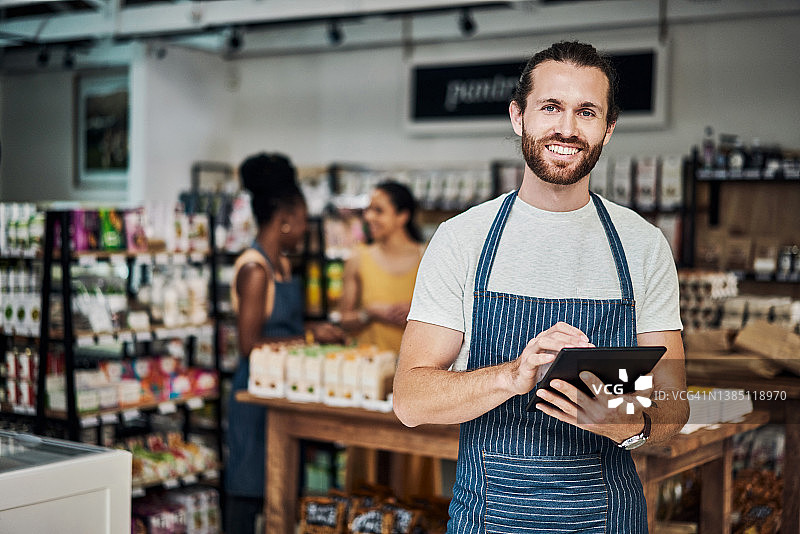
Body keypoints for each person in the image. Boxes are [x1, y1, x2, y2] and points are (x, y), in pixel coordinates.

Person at [393, 41, 689, 533]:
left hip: (608, 518)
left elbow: (673, 400)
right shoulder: (463, 239)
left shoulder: (643, 245)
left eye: (586, 112)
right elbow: (409, 398)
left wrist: (628, 422)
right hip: (489, 518)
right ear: (518, 116)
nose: (567, 128)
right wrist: (512, 377)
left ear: (608, 128)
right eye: (550, 107)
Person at [225, 152, 343, 534]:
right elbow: (250, 343)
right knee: (250, 485)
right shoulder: (256, 270)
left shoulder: (283, 266)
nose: (307, 228)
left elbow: (283, 325)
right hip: (255, 393)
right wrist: (310, 336)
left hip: (282, 388)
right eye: (304, 220)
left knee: (283, 482)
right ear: (285, 219)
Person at [338, 180, 425, 353]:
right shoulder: (358, 258)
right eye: (368, 210)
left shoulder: (428, 257)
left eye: (378, 210)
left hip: (413, 369)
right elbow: (344, 321)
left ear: (402, 216)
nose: (368, 217)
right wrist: (369, 313)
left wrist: (419, 312)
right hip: (369, 368)